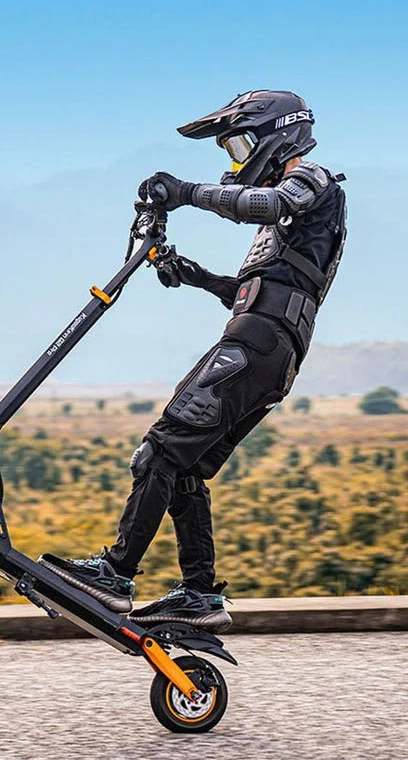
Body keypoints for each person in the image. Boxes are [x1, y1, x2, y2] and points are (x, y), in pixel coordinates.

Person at [41, 90, 347, 631]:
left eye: (239, 142)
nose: (236, 158)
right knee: (181, 467)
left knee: (157, 451)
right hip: (264, 349)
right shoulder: (292, 224)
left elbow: (270, 204)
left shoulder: (313, 180)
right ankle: (199, 594)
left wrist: (183, 192)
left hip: (255, 347)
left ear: (278, 133)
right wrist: (195, 275)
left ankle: (115, 573)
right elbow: (258, 289)